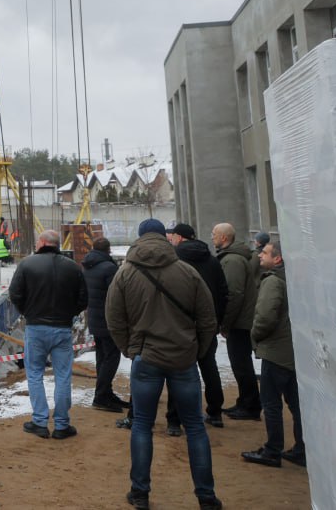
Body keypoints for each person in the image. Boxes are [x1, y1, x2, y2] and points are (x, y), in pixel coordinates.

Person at [106, 218, 221, 510]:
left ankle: (140, 493)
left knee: (142, 425)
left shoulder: (125, 273)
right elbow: (208, 319)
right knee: (195, 427)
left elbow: (114, 319)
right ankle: (206, 496)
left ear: (140, 238)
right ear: (165, 238)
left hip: (146, 357)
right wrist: (197, 351)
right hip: (183, 357)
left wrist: (130, 349)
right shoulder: (187, 272)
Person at [9, 230, 89, 440]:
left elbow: (15, 294)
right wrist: (69, 314)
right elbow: (83, 299)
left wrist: (28, 312)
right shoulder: (73, 267)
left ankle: (39, 421)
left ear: (43, 243)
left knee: (35, 374)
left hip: (36, 328)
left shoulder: (27, 264)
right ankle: (62, 425)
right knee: (63, 376)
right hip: (62, 329)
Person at [242, 238, 305, 468]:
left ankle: (272, 450)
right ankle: (302, 448)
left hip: (276, 350)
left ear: (277, 258)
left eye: (265, 253)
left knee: (271, 403)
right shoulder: (294, 277)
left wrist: (256, 335)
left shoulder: (273, 282)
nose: (260, 255)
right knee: (297, 403)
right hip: (291, 350)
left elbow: (266, 317)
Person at [164, 223, 228, 433]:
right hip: (208, 325)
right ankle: (216, 412)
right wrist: (217, 320)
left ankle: (174, 421)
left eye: (173, 236)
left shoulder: (173, 261)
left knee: (178, 371)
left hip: (180, 326)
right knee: (209, 368)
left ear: (180, 239)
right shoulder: (212, 260)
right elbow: (223, 292)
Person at [211, 222, 262, 420]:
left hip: (241, 322)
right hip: (242, 320)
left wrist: (226, 322)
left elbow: (233, 294)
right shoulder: (234, 257)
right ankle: (245, 401)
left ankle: (250, 405)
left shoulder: (232, 261)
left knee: (241, 364)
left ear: (224, 238)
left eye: (215, 234)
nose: (212, 237)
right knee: (240, 364)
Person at [82, 237, 125, 412]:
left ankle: (106, 392)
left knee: (102, 357)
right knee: (112, 357)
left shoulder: (87, 266)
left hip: (94, 318)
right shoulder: (109, 268)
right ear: (108, 250)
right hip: (108, 320)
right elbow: (116, 295)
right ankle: (101, 396)